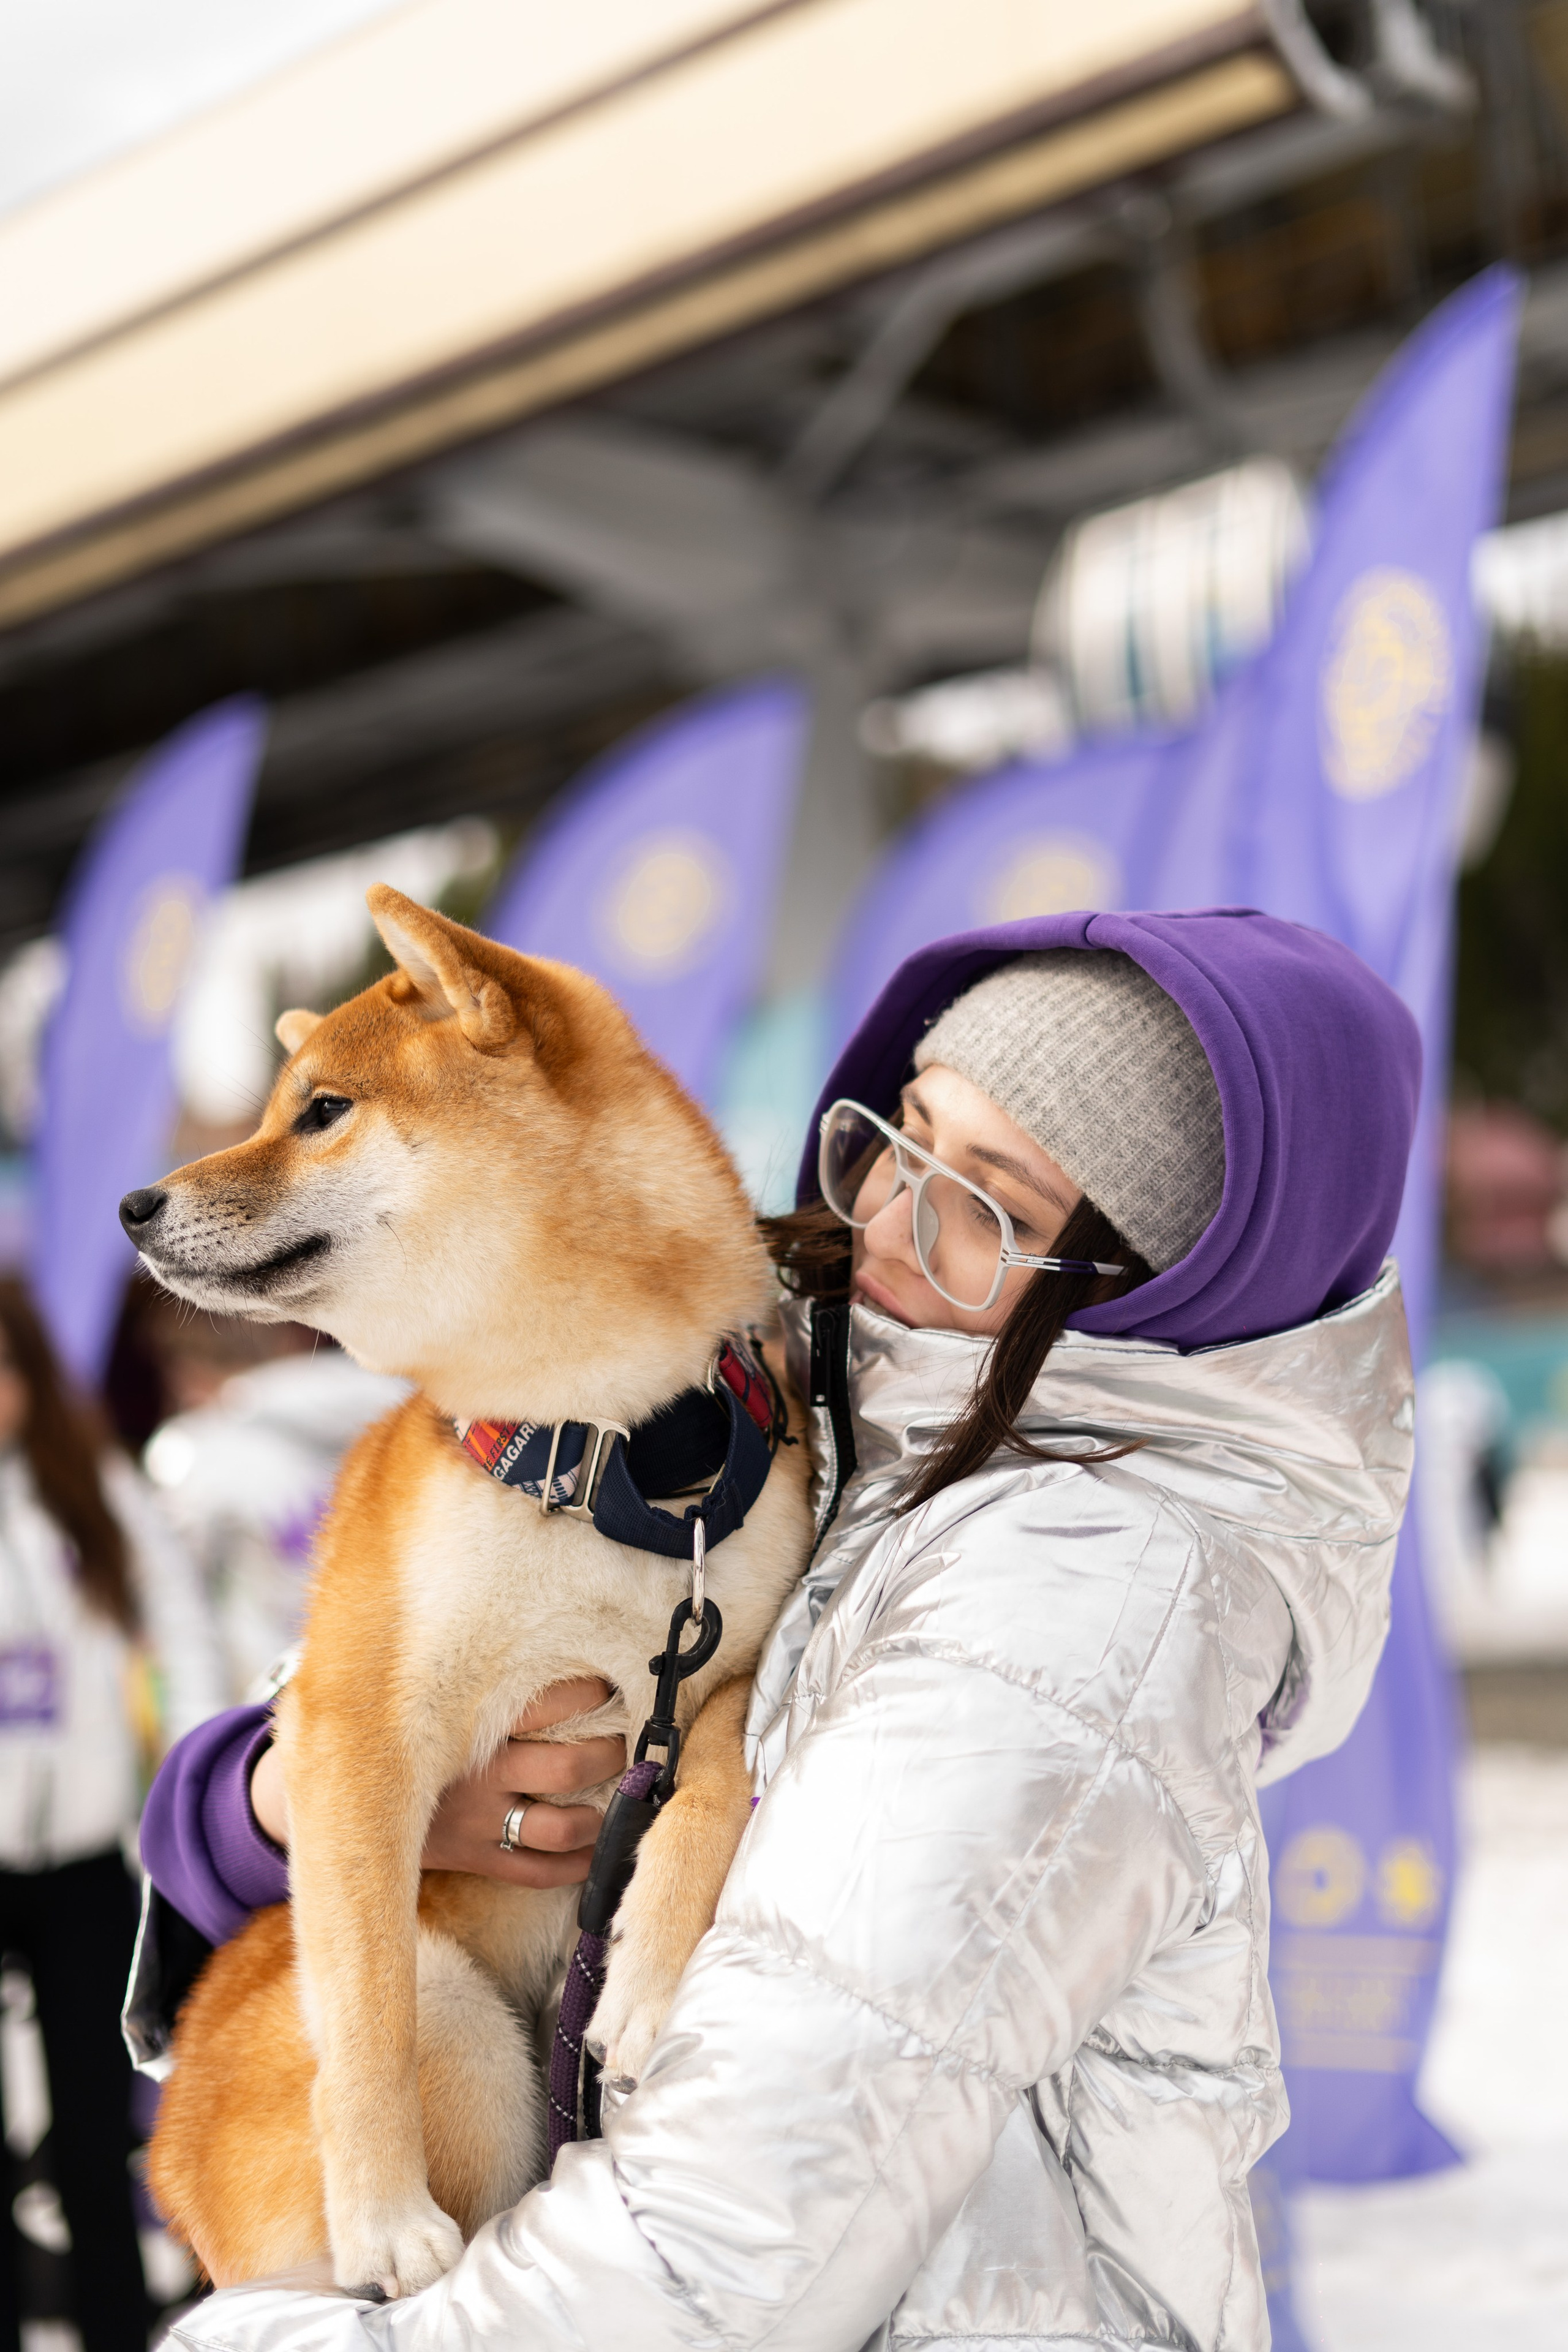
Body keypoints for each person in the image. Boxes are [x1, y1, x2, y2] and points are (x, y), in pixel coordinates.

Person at [140, 908, 1419, 2352]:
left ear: (1137, 1291)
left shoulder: (1083, 1596)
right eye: (900, 1132)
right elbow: (342, 1714)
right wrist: (264, 1806)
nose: (881, 1218)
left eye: (986, 1200)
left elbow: (732, 2238)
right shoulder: (785, 1383)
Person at [0, 1276, 224, 2352]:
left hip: (89, 1859)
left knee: (95, 2132)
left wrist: (190, 1785)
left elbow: (180, 1631)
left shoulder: (88, 1483)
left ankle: (119, 2332)